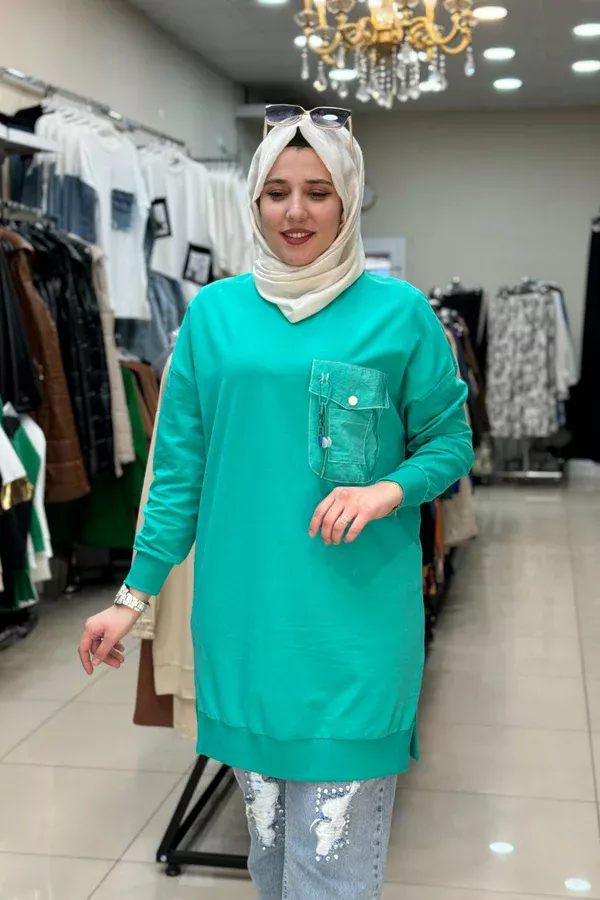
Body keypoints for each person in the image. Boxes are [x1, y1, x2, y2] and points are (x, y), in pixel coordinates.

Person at [79, 107, 474, 899]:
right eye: (277, 192)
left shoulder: (399, 315)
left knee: (330, 875)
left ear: (348, 199)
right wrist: (132, 599)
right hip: (245, 629)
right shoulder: (213, 316)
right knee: (270, 863)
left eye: (318, 192)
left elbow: (448, 442)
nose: (296, 212)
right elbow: (178, 474)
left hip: (355, 634)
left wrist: (389, 488)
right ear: (255, 201)